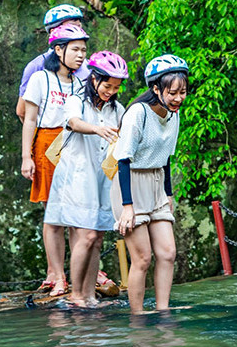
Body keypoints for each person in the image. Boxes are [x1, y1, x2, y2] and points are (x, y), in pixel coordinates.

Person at [44, 51, 128, 307]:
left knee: (98, 237)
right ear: (94, 79)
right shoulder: (77, 100)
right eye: (106, 85)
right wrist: (97, 129)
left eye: (115, 87)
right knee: (87, 236)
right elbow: (72, 122)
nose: (110, 91)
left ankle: (89, 295)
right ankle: (76, 295)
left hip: (101, 177)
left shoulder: (118, 109)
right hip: (76, 177)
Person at [111, 54, 188, 314]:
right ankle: (138, 315)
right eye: (173, 92)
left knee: (168, 253)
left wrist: (167, 193)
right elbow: (123, 159)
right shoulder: (138, 113)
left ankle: (163, 311)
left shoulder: (174, 115)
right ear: (156, 89)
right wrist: (127, 206)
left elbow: (165, 157)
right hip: (130, 184)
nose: (179, 98)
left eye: (183, 92)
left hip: (156, 183)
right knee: (142, 258)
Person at [20, 20, 89, 294]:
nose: (81, 55)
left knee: (75, 215)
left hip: (73, 145)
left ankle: (78, 275)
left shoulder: (81, 81)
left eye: (83, 50)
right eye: (75, 49)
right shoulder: (40, 78)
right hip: (47, 144)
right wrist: (27, 157)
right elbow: (29, 119)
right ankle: (58, 275)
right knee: (54, 215)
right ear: (58, 50)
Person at [15, 4, 87, 123]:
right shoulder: (36, 66)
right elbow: (22, 111)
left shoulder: (87, 67)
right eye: (73, 27)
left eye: (80, 27)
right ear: (54, 31)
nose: (78, 32)